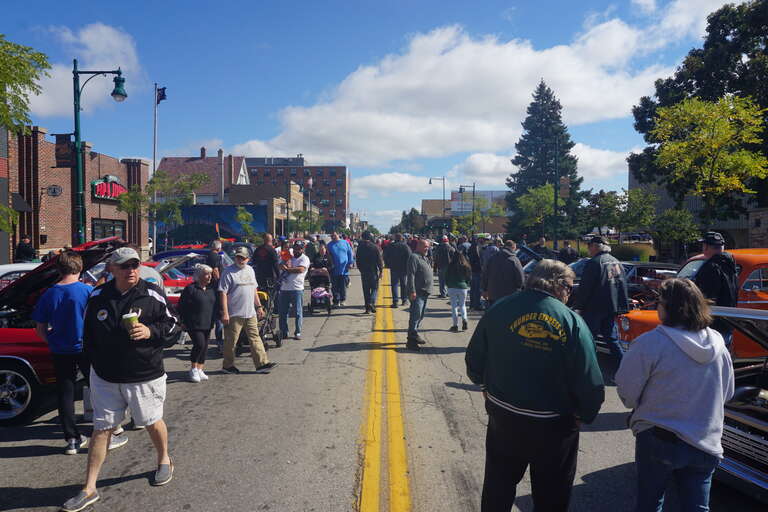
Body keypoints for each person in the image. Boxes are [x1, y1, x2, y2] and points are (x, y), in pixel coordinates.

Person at [466, 259, 605, 512]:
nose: (570, 293)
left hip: (504, 416)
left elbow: (475, 358)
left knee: (499, 484)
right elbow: (591, 382)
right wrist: (584, 414)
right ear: (559, 285)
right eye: (570, 287)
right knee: (551, 494)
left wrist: (484, 385)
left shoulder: (500, 308)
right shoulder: (571, 321)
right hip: (552, 424)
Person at [61, 247, 179, 512]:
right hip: (106, 376)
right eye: (125, 266)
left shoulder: (151, 293)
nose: (132, 270)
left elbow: (173, 324)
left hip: (143, 374)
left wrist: (150, 331)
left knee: (151, 422)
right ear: (112, 269)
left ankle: (164, 459)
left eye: (135, 265)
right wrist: (92, 366)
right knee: (101, 429)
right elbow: (88, 334)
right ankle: (89, 488)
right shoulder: (98, 296)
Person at [615, 278, 734, 512]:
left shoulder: (650, 343)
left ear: (668, 307)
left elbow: (627, 393)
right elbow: (727, 393)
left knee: (649, 504)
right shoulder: (718, 344)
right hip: (705, 439)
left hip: (659, 437)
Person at [32, 251, 102, 454]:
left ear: (58, 269)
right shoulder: (88, 291)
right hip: (86, 348)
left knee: (65, 392)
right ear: (80, 268)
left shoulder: (49, 294)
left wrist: (53, 341)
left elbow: (40, 329)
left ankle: (72, 438)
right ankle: (109, 428)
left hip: (60, 350)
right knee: (98, 387)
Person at [570, 235, 630, 374]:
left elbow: (586, 287)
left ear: (596, 246)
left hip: (594, 308)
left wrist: (578, 306)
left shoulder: (594, 263)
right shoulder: (616, 262)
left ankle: (586, 370)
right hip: (611, 307)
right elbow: (622, 285)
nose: (588, 249)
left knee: (588, 339)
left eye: (589, 246)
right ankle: (625, 369)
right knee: (612, 339)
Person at [219, 247, 276, 374]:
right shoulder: (228, 272)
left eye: (243, 258)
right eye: (238, 257)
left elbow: (254, 290)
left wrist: (259, 306)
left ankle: (262, 364)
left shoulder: (250, 270)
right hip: (234, 313)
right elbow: (223, 293)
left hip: (250, 312)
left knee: (255, 338)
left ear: (248, 259)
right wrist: (225, 312)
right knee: (231, 341)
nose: (240, 260)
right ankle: (227, 365)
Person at [693, 231, 738, 349]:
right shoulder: (729, 265)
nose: (702, 248)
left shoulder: (711, 267)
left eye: (703, 245)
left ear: (707, 247)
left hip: (712, 326)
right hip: (727, 323)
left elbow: (706, 298)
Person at [179, 264, 218, 383]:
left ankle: (200, 369)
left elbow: (215, 305)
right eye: (207, 274)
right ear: (199, 275)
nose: (209, 276)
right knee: (199, 344)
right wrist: (182, 321)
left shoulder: (211, 289)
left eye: (210, 274)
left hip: (208, 322)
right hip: (193, 323)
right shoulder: (191, 289)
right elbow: (182, 306)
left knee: (205, 347)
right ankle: (193, 369)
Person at [405, 239, 434, 350]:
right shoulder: (414, 257)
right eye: (425, 246)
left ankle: (414, 334)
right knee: (415, 316)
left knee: (420, 316)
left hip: (425, 292)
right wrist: (412, 291)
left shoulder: (424, 257)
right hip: (418, 292)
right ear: (419, 246)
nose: (427, 248)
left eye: (428, 247)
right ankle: (411, 341)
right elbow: (411, 275)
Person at [278, 242, 310, 340]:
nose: (296, 250)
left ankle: (298, 332)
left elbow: (300, 270)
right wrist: (282, 265)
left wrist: (287, 269)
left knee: (297, 312)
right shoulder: (289, 255)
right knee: (283, 312)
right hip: (284, 288)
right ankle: (284, 332)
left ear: (302, 249)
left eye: (299, 248)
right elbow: (280, 264)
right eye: (295, 248)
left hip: (297, 289)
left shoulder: (304, 258)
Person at [482, 240, 524, 307]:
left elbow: (485, 275)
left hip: (493, 294)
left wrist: (484, 289)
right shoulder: (514, 260)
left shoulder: (492, 258)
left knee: (495, 315)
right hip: (510, 295)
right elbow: (521, 279)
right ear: (513, 247)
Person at [356, 231, 384, 313]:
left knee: (366, 290)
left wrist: (360, 269)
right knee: (375, 288)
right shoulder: (375, 247)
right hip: (373, 271)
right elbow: (379, 260)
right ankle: (371, 302)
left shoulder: (360, 247)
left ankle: (367, 309)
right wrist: (381, 270)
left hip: (364, 272)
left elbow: (357, 259)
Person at [205, 240, 225, 349]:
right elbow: (216, 271)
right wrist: (220, 283)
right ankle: (219, 342)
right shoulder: (215, 257)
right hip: (215, 289)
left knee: (211, 316)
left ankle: (206, 340)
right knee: (218, 316)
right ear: (218, 248)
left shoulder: (208, 256)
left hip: (209, 288)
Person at [383, 233, 412, 308]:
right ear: (402, 238)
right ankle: (404, 300)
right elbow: (409, 256)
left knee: (394, 284)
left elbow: (385, 256)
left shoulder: (391, 246)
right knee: (403, 284)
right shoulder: (405, 246)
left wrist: (388, 264)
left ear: (395, 238)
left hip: (394, 268)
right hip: (403, 268)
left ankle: (395, 301)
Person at [445, 251, 471, 332]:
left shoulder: (450, 265)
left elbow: (446, 276)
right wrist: (466, 284)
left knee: (454, 306)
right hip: (463, 287)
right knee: (462, 305)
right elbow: (469, 277)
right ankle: (465, 319)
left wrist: (448, 284)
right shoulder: (466, 265)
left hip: (452, 287)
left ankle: (455, 325)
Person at [327, 231, 354, 307]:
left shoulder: (345, 243)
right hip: (334, 269)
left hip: (344, 269)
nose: (333, 236)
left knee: (343, 286)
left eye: (334, 235)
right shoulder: (329, 245)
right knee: (335, 286)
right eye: (332, 235)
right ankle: (336, 301)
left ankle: (342, 300)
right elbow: (328, 256)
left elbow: (350, 253)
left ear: (338, 235)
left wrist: (351, 262)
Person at [467, 236, 484, 310]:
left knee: (473, 289)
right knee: (477, 289)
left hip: (472, 270)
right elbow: (478, 259)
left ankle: (472, 304)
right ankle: (476, 305)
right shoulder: (476, 247)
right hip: (477, 270)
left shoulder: (471, 247)